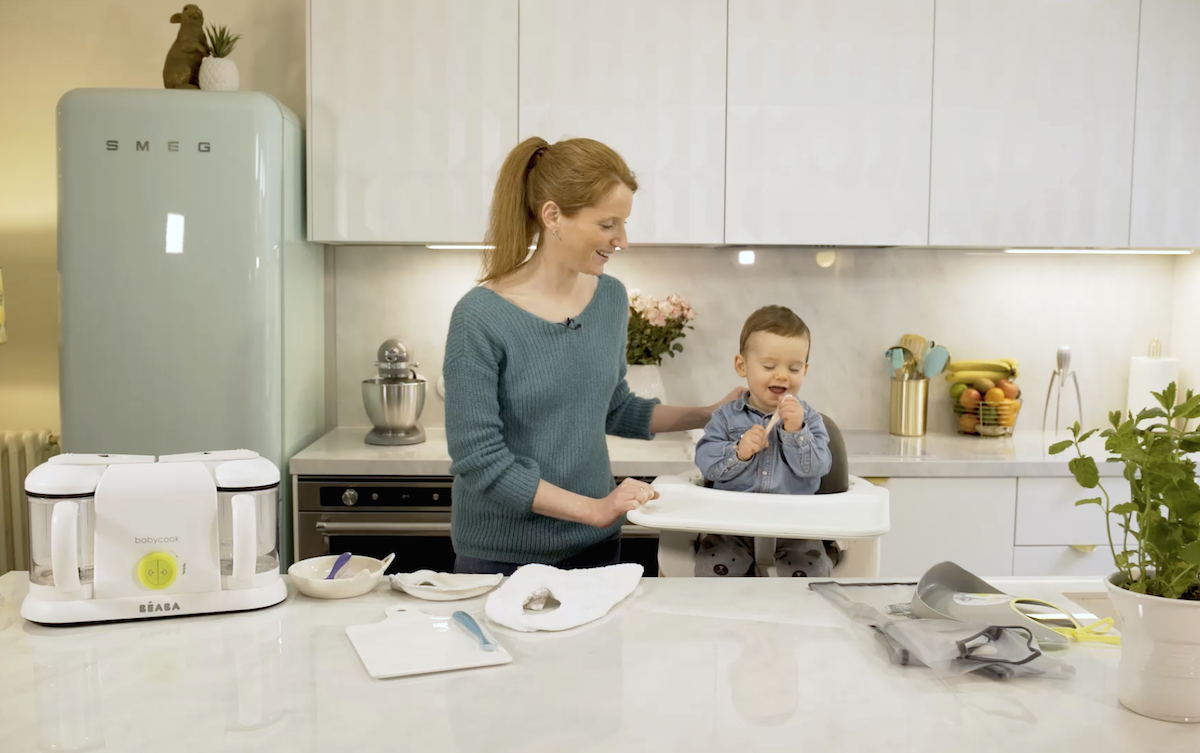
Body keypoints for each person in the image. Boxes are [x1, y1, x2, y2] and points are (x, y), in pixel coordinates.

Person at [443, 136, 739, 575]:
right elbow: (480, 460)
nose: (622, 240)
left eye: (624, 224)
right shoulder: (480, 317)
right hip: (501, 556)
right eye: (608, 224)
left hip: (596, 550)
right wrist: (595, 509)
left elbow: (614, 408)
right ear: (553, 217)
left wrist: (707, 414)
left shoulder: (611, 299)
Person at [693, 305, 835, 577]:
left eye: (793, 368)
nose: (781, 375)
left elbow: (817, 468)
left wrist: (796, 432)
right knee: (713, 571)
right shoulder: (725, 417)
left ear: (805, 370)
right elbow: (706, 463)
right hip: (731, 527)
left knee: (809, 576)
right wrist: (740, 451)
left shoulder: (811, 420)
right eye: (769, 366)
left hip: (796, 530)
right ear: (741, 365)